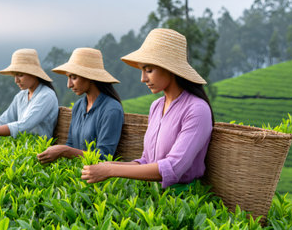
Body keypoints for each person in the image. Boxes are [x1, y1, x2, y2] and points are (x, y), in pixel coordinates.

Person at [81, 28, 214, 188]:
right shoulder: (156, 107)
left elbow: (173, 167)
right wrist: (107, 167)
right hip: (153, 193)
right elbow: (146, 161)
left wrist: (110, 169)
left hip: (183, 201)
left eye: (149, 70)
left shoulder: (197, 110)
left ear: (170, 69)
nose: (143, 78)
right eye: (142, 70)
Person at [37, 47, 124, 164]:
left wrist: (64, 151)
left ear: (90, 77)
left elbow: (104, 157)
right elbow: (71, 143)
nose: (69, 85)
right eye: (68, 78)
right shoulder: (78, 106)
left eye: (74, 77)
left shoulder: (111, 109)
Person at [0, 49, 59, 141]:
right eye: (14, 75)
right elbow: (4, 120)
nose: (16, 80)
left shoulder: (46, 95)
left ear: (34, 74)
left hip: (39, 149)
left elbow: (24, 125)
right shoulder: (21, 96)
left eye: (20, 75)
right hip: (21, 146)